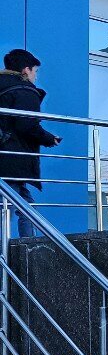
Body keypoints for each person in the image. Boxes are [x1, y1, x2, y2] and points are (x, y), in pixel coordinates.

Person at [0, 50, 61, 237]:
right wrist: (48, 138)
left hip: (8, 159)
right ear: (26, 70)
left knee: (25, 206)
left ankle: (28, 245)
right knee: (20, 207)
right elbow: (27, 125)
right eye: (35, 71)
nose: (36, 76)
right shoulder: (24, 90)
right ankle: (27, 247)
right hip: (11, 159)